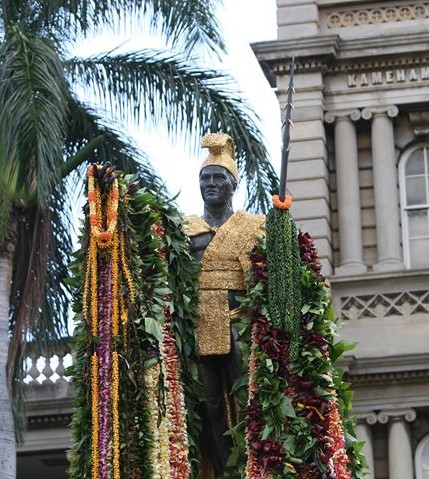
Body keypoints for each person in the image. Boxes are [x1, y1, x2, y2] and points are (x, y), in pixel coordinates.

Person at [184, 133, 265, 478]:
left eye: (219, 178)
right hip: (200, 326)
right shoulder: (185, 229)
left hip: (238, 323)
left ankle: (257, 465)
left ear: (233, 184)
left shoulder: (253, 226)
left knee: (250, 397)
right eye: (205, 178)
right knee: (209, 404)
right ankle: (223, 469)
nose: (211, 184)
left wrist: (281, 222)